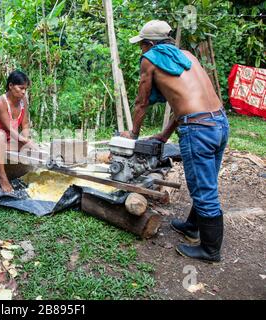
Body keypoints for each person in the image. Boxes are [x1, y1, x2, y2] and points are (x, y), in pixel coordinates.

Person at [121, 20, 229, 263]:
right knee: (207, 180)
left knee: (204, 189)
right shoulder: (186, 55)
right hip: (219, 122)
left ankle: (211, 250)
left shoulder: (151, 59)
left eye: (142, 46)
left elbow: (141, 102)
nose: (142, 50)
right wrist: (165, 134)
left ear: (149, 44)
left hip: (199, 129)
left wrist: (133, 135)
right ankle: (192, 226)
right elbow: (186, 103)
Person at [0, 70, 37, 192]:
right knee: (1, 135)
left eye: (25, 89)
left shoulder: (23, 101)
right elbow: (9, 128)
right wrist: (24, 140)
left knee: (31, 147)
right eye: (21, 88)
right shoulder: (1, 102)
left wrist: (26, 140)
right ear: (11, 86)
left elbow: (25, 123)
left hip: (7, 140)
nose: (23, 92)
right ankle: (1, 175)